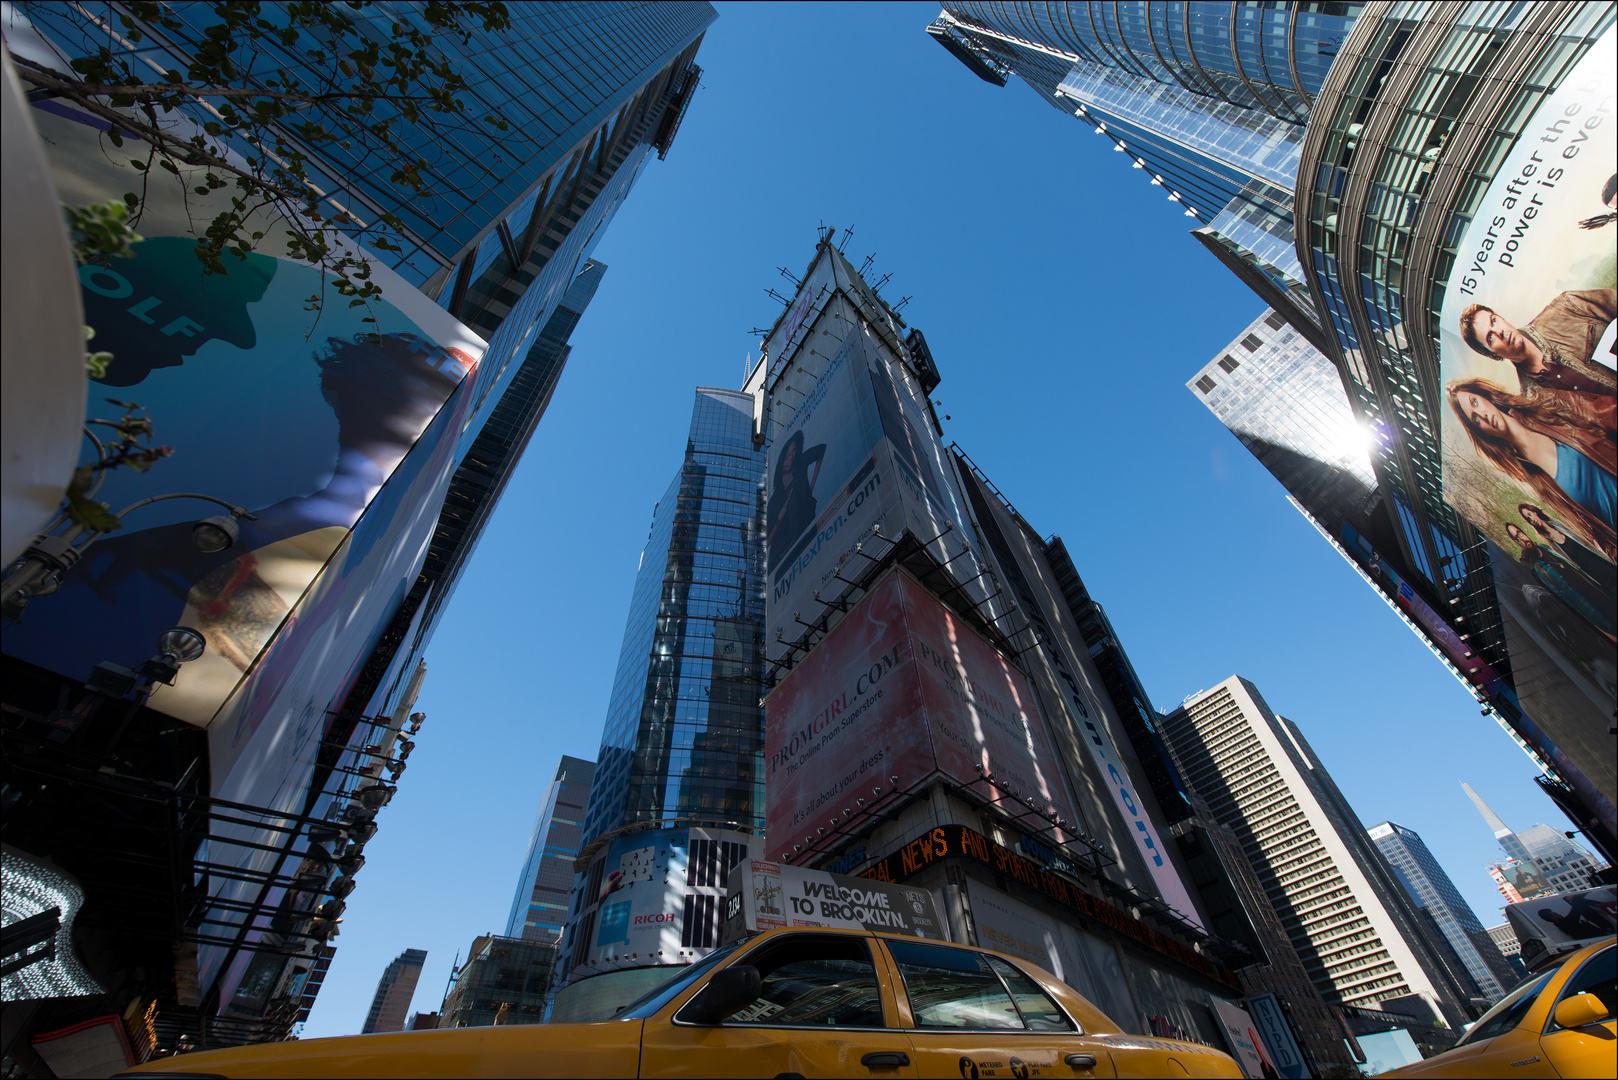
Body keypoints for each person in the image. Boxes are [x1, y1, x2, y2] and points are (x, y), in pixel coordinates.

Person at [1448, 377, 1616, 560]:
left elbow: (1609, 413)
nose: (1483, 415)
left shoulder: (1546, 405)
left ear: (1485, 396)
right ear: (1482, 432)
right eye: (1475, 419)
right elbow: (1593, 529)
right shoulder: (1531, 477)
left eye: (1475, 402)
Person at [1459, 290, 1616, 400]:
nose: (1500, 331)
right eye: (1490, 337)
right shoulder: (1532, 399)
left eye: (1494, 320)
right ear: (1493, 354)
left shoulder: (1566, 307)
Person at [1505, 523, 1615, 642]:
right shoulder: (1538, 569)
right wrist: (1601, 631)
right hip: (1590, 608)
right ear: (1517, 543)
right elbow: (1567, 603)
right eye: (1516, 538)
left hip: (1599, 594)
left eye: (1519, 533)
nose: (1521, 538)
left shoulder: (1545, 548)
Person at [1519, 503, 1617, 594]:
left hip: (1607, 564)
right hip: (1599, 579)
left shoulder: (1558, 523)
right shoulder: (1551, 544)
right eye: (1529, 519)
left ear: (1535, 512)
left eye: (1530, 514)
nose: (1532, 519)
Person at [766, 430, 825, 560]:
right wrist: (778, 521)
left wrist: (811, 488)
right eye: (787, 456)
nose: (790, 459)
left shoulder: (800, 466)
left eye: (793, 453)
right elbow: (766, 542)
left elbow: (821, 449)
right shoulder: (774, 500)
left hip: (807, 540)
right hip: (782, 559)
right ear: (781, 459)